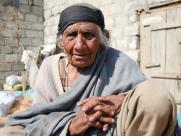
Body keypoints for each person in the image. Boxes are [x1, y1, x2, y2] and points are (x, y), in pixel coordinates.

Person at [0, 3, 176, 136]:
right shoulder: (48, 67)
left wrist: (121, 100)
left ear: (102, 40)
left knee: (156, 95)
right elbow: (39, 116)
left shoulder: (117, 61)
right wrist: (70, 124)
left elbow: (142, 98)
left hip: (109, 129)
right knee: (8, 132)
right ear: (61, 41)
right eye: (71, 35)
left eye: (88, 35)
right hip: (63, 131)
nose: (79, 45)